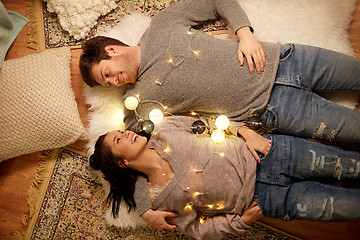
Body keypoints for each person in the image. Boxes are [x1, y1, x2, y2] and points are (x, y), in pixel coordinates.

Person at [79, 0, 360, 144]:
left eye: (108, 74)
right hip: (274, 109)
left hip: (284, 60)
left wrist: (245, 34)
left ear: (112, 51)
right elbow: (128, 143)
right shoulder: (139, 100)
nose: (114, 82)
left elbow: (216, 1)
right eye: (108, 84)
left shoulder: (162, 25)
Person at [89, 116, 360, 240]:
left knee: (349, 165)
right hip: (265, 200)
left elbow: (212, 122)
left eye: (121, 131)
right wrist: (240, 223)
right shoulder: (157, 200)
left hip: (268, 154)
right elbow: (198, 229)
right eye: (118, 139)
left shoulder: (164, 128)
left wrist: (244, 132)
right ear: (122, 162)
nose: (126, 133)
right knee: (344, 206)